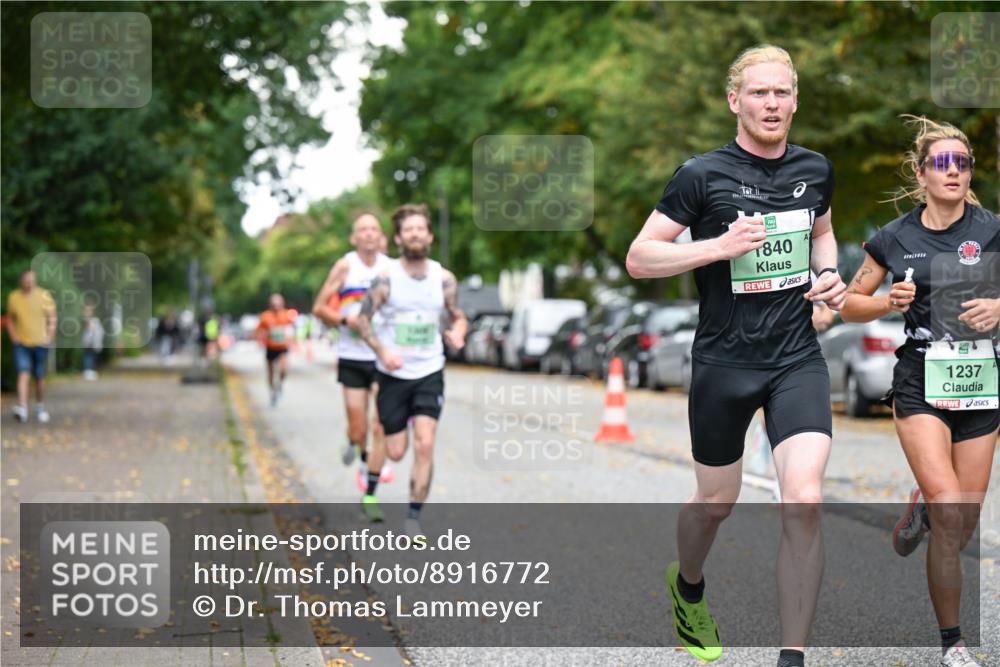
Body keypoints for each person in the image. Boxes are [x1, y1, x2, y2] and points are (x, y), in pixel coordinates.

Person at [625, 45, 847, 666]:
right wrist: (716, 248)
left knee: (803, 499)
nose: (771, 104)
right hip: (724, 362)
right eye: (758, 93)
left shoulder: (815, 168)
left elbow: (823, 229)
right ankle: (688, 584)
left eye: (782, 93)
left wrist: (827, 275)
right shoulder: (700, 175)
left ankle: (792, 655)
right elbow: (640, 258)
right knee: (715, 502)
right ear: (735, 101)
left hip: (796, 358)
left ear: (795, 99)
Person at [841, 117, 998, 667]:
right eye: (941, 162)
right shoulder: (895, 237)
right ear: (920, 172)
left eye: (962, 163)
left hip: (982, 385)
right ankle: (952, 643)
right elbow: (851, 302)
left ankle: (925, 512)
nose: (953, 171)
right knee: (952, 512)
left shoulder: (993, 229)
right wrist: (888, 302)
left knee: (964, 521)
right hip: (919, 383)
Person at [355, 203, 467, 536]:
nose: (415, 234)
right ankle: (370, 491)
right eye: (409, 230)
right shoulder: (385, 279)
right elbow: (363, 320)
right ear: (400, 238)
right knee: (395, 449)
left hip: (429, 370)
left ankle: (413, 518)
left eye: (421, 229)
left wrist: (458, 332)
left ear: (429, 235)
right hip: (392, 373)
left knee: (425, 443)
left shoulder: (443, 278)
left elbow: (457, 314)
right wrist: (382, 350)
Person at [313, 213, 393, 510]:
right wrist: (345, 319)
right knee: (358, 428)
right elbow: (319, 307)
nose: (369, 234)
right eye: (363, 229)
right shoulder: (345, 266)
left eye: (374, 229)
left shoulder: (391, 269)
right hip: (351, 357)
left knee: (382, 422)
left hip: (382, 355)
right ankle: (358, 448)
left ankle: (369, 480)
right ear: (354, 238)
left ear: (381, 236)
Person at [6, 270, 57, 423]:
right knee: (23, 372)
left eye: (31, 280)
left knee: (39, 377)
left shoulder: (44, 295)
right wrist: (14, 337)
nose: (28, 282)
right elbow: (10, 319)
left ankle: (40, 406)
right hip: (21, 344)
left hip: (40, 343)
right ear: (21, 281)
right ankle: (22, 407)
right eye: (26, 280)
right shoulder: (14, 297)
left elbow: (52, 317)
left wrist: (49, 336)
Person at [255, 294, 296, 406]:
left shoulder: (287, 315)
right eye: (274, 304)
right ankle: (272, 391)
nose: (276, 306)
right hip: (270, 347)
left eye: (278, 304)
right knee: (271, 372)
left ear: (282, 304)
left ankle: (280, 384)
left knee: (284, 369)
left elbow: (292, 329)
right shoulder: (265, 316)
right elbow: (258, 331)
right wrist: (264, 335)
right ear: (270, 305)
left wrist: (292, 339)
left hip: (283, 347)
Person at [81, 302, 104, 381]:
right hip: (89, 341)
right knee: (88, 356)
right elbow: (88, 327)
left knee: (92, 356)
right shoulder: (86, 318)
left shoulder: (94, 319)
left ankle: (91, 371)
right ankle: (88, 371)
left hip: (94, 341)